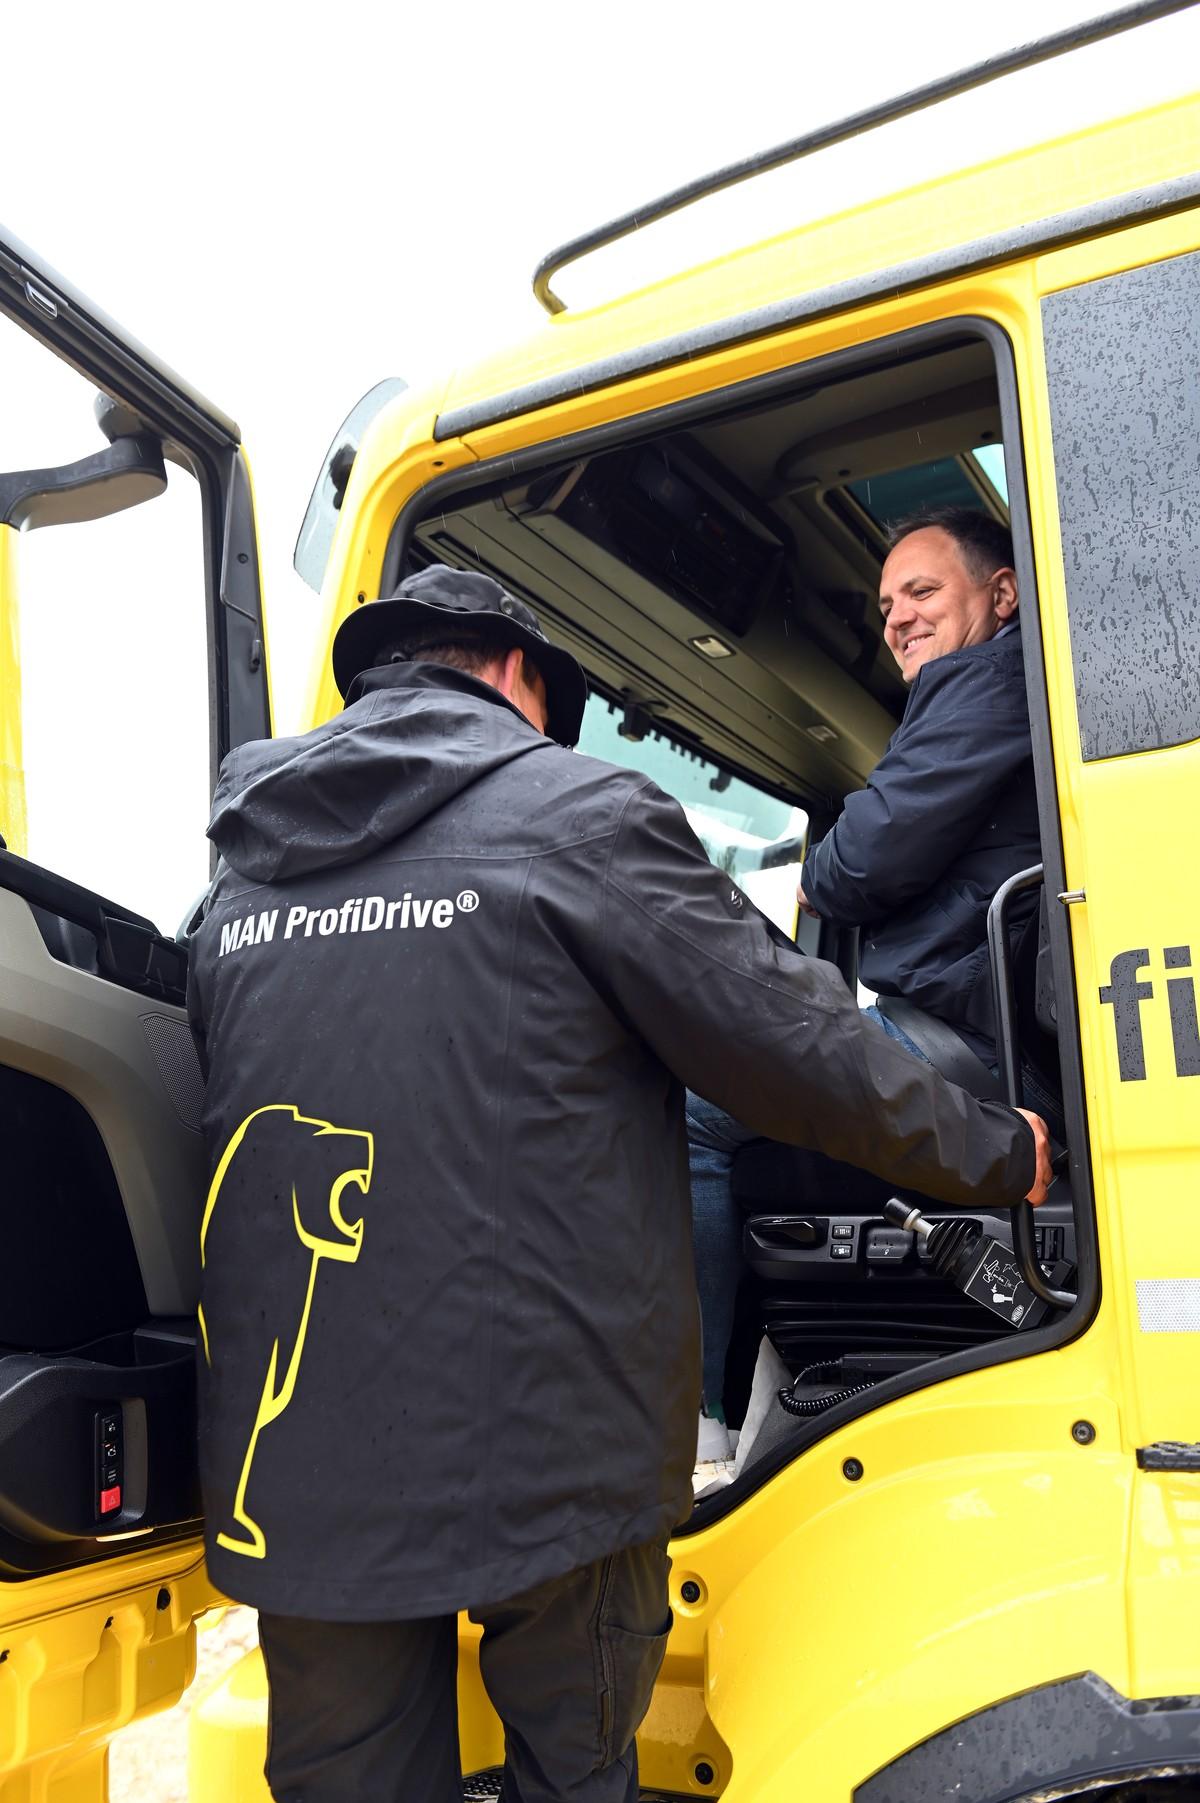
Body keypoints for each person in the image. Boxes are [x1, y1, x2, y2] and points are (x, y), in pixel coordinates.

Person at [188, 562, 1050, 1803]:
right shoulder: (578, 815)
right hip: (549, 1448)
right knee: (577, 1768)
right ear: (519, 675)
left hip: (298, 1469)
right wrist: (999, 1150)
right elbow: (798, 1048)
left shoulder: (238, 878)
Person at [690, 505, 1061, 1455]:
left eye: (922, 591)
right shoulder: (984, 691)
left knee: (689, 1107)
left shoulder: (986, 682)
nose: (897, 618)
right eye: (887, 603)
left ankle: (695, 1422)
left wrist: (822, 863)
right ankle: (762, 1373)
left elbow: (857, 862)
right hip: (974, 1021)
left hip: (971, 1040)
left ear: (1003, 594)